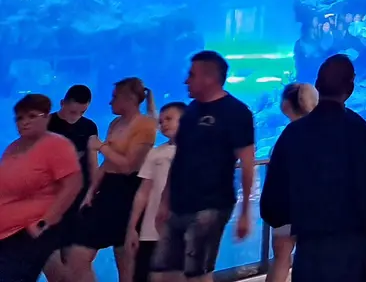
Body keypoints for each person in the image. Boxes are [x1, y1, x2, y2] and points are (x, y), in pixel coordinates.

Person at [261, 55, 366, 282]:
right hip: (352, 250)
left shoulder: (293, 134)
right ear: (350, 88)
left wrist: (286, 218)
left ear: (318, 85)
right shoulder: (362, 132)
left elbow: (272, 204)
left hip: (310, 249)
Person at [152, 51, 256, 282]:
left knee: (196, 273)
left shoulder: (237, 113)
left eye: (191, 75)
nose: (186, 80)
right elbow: (180, 158)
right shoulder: (190, 112)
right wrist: (164, 201)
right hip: (179, 204)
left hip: (212, 204)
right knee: (163, 274)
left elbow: (248, 164)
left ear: (209, 78)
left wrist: (245, 212)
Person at [66, 78, 159, 282]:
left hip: (130, 193)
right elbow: (107, 164)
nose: (110, 102)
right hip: (108, 191)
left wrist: (100, 146)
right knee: (77, 257)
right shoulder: (115, 123)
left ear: (129, 99)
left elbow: (129, 166)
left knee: (127, 262)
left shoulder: (145, 126)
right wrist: (90, 193)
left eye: (115, 97)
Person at [0, 94, 83, 282]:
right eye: (20, 118)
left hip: (29, 231)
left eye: (31, 116)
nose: (24, 122)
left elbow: (72, 185)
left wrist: (44, 223)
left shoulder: (56, 145)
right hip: (7, 233)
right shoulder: (12, 148)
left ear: (46, 117)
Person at [124, 102, 185, 282]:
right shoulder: (156, 153)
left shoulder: (197, 153)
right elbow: (143, 192)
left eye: (169, 119)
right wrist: (132, 228)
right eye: (161, 121)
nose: (164, 123)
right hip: (150, 229)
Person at [265, 82, 319, 282]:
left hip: (285, 209)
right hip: (315, 209)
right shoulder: (319, 134)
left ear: (286, 105)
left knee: (281, 259)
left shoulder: (287, 137)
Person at [44, 85, 97, 282]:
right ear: (62, 104)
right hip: (50, 201)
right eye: (73, 111)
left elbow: (92, 162)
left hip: (78, 200)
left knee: (76, 261)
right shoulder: (46, 124)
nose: (76, 116)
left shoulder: (89, 127)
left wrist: (93, 191)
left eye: (82, 112)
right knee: (52, 261)